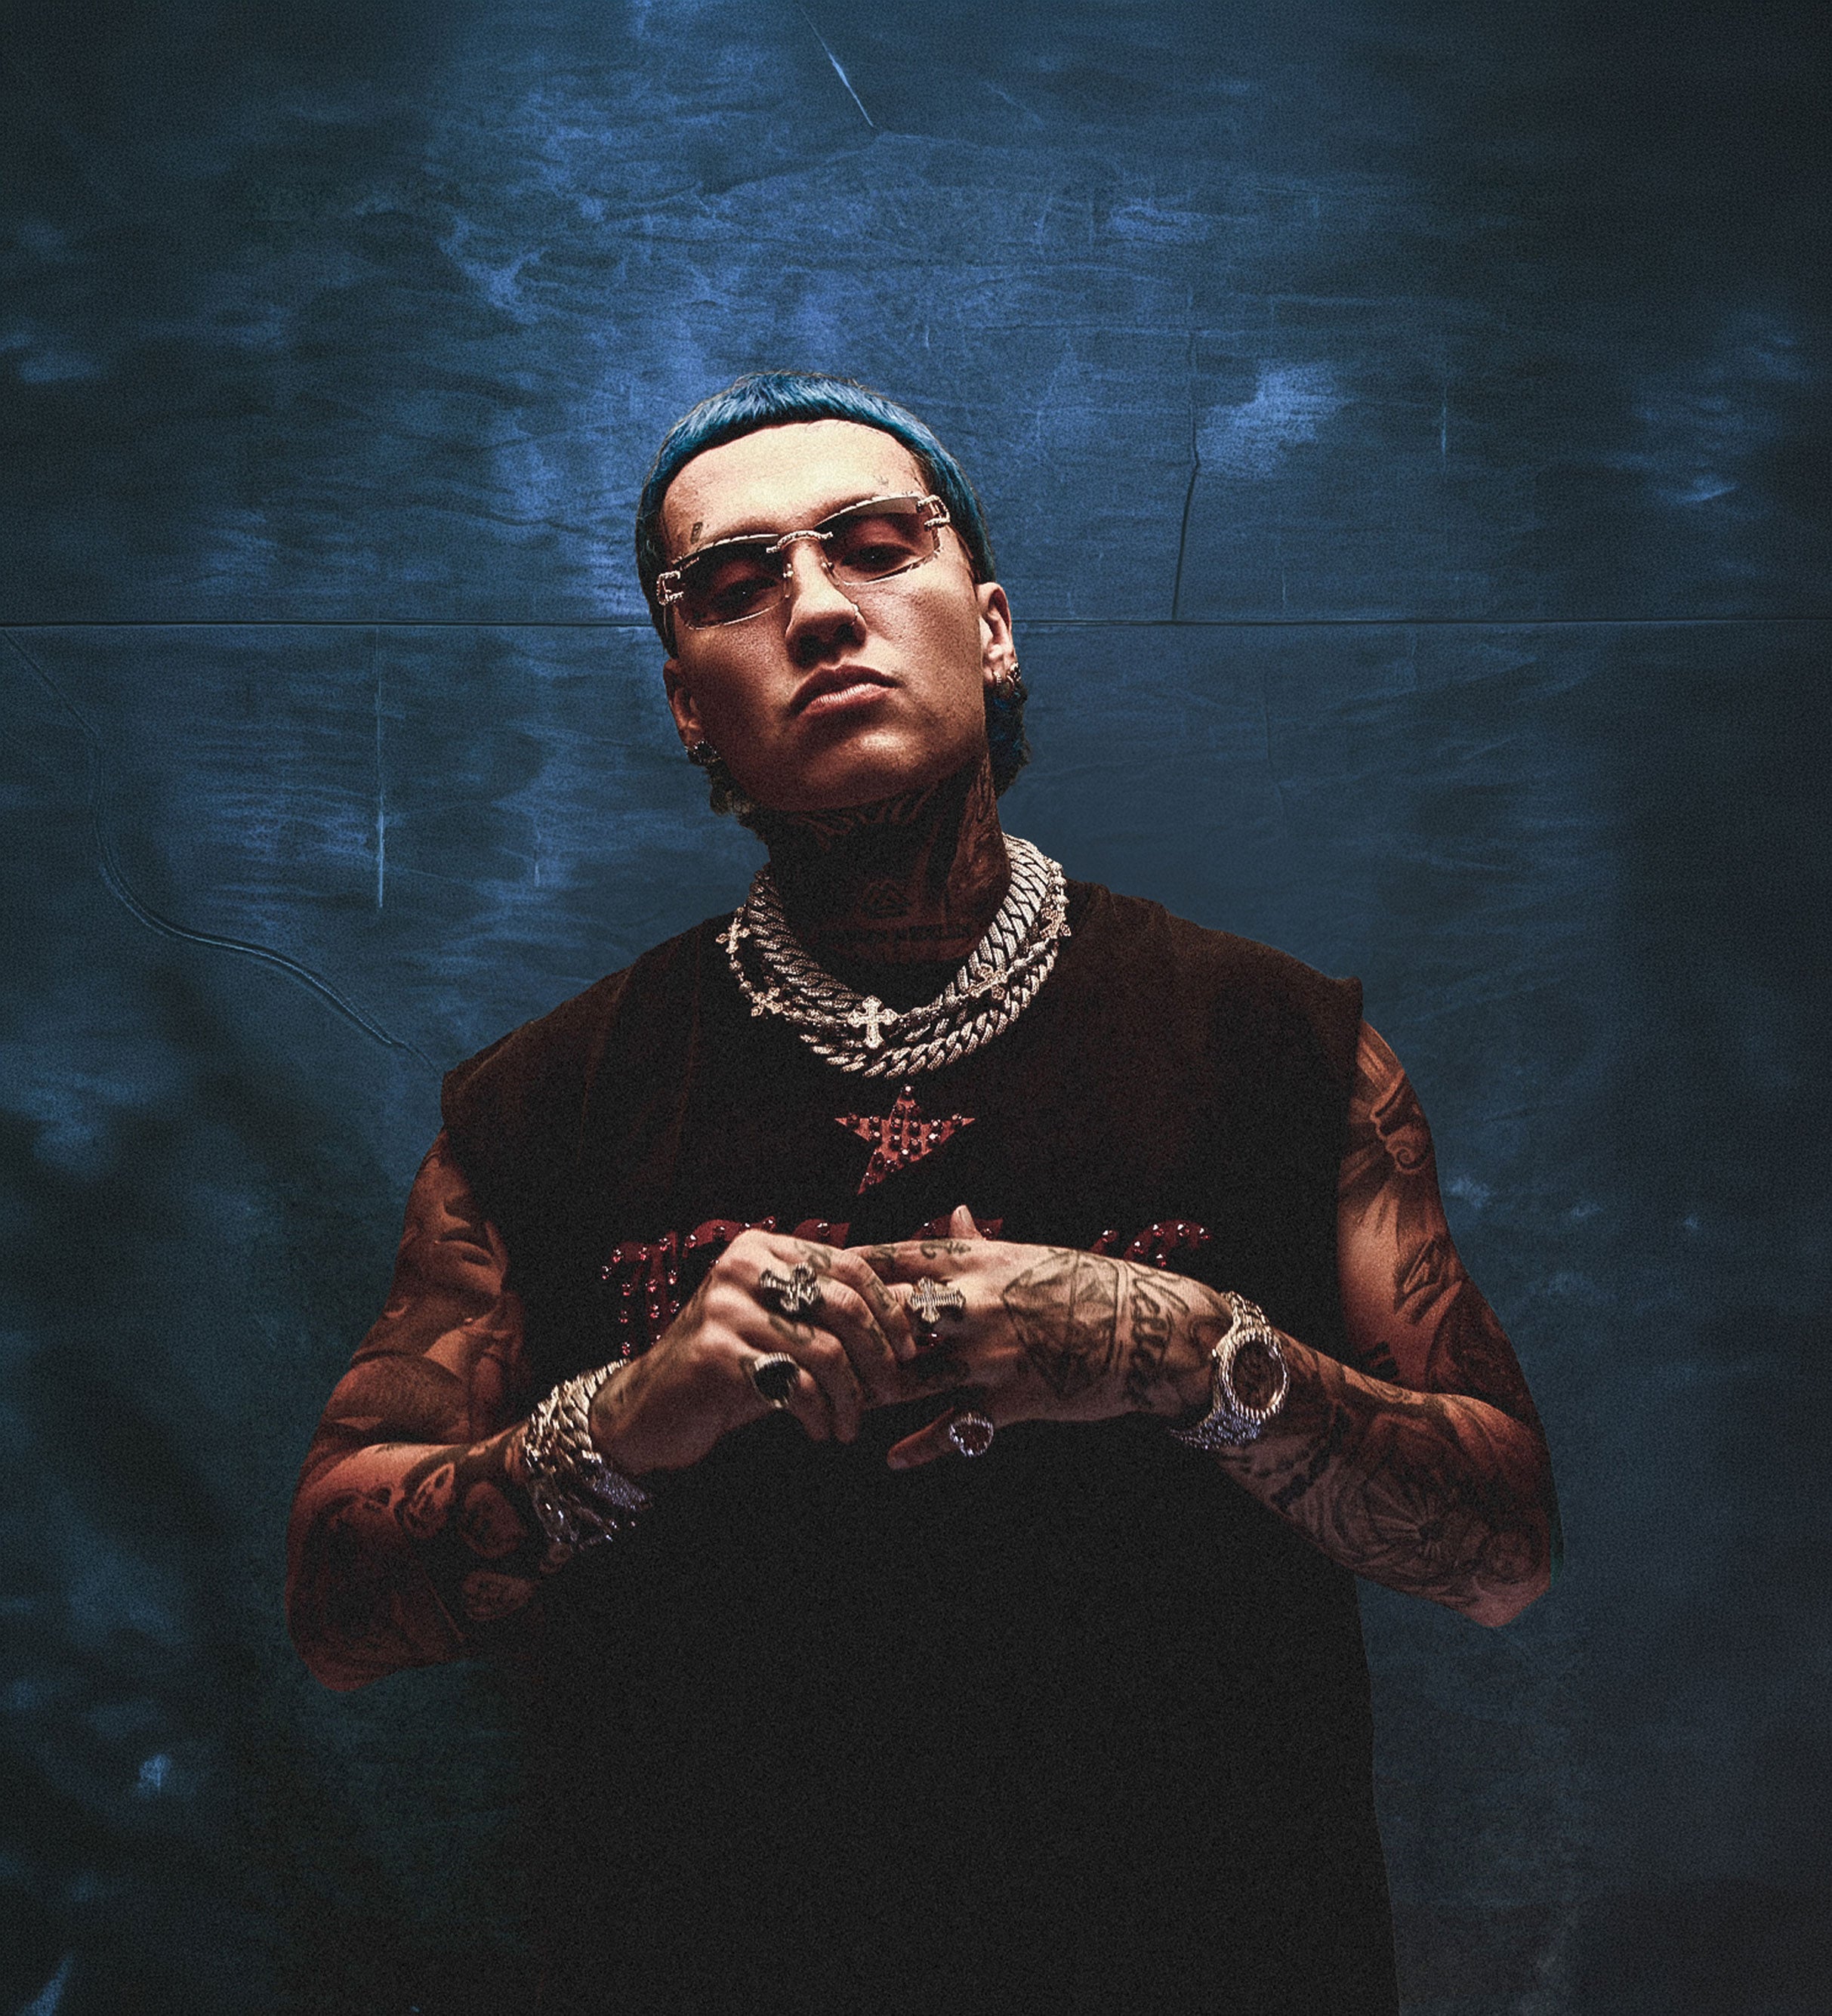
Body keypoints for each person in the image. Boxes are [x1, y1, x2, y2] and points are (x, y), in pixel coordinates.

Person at [287, 372, 1559, 2015]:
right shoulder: (544, 1105)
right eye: (734, 582)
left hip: (1211, 1957)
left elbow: (1501, 1555)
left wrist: (1176, 1347)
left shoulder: (1279, 1046)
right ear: (687, 707)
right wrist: (620, 1422)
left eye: (877, 544)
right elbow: (335, 1613)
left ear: (995, 627)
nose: (819, 609)